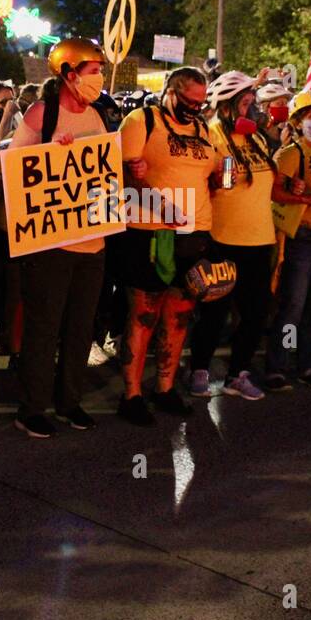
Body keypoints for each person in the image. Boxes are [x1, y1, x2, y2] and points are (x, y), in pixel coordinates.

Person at [6, 39, 113, 438]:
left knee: (81, 327)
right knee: (44, 327)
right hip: (51, 246)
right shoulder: (40, 114)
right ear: (70, 75)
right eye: (93, 71)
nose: (99, 78)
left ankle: (69, 401)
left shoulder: (98, 115)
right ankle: (31, 407)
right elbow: (15, 173)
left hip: (93, 244)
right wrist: (51, 153)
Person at [117, 66, 219, 421]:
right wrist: (157, 202)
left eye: (201, 103)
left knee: (179, 317)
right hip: (150, 233)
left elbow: (216, 173)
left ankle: (164, 387)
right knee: (144, 313)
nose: (195, 108)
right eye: (189, 101)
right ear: (171, 92)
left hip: (195, 234)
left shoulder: (204, 128)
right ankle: (130, 394)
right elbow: (119, 175)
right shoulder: (141, 120)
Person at [188, 71, 275, 399]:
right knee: (214, 313)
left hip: (260, 238)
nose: (252, 110)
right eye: (246, 103)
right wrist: (217, 180)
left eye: (253, 103)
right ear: (226, 106)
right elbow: (199, 183)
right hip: (223, 239)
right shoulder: (209, 135)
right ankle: (199, 369)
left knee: (254, 314)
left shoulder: (259, 139)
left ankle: (239, 373)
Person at [265, 91, 311, 389]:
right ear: (297, 122)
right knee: (292, 308)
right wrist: (309, 198)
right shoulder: (289, 154)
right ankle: (278, 366)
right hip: (303, 238)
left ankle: (307, 365)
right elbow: (273, 193)